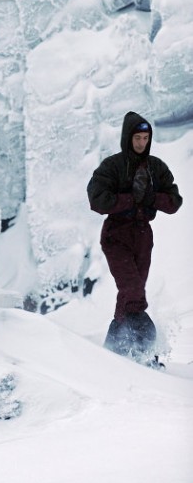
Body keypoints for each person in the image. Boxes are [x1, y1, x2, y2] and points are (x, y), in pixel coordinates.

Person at [87, 111, 182, 357]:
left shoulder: (156, 168)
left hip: (143, 235)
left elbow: (174, 201)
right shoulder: (113, 166)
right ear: (127, 137)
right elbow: (96, 200)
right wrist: (129, 199)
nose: (141, 143)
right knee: (133, 290)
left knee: (132, 291)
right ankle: (144, 349)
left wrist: (151, 197)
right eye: (137, 137)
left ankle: (115, 352)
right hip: (116, 234)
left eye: (145, 138)